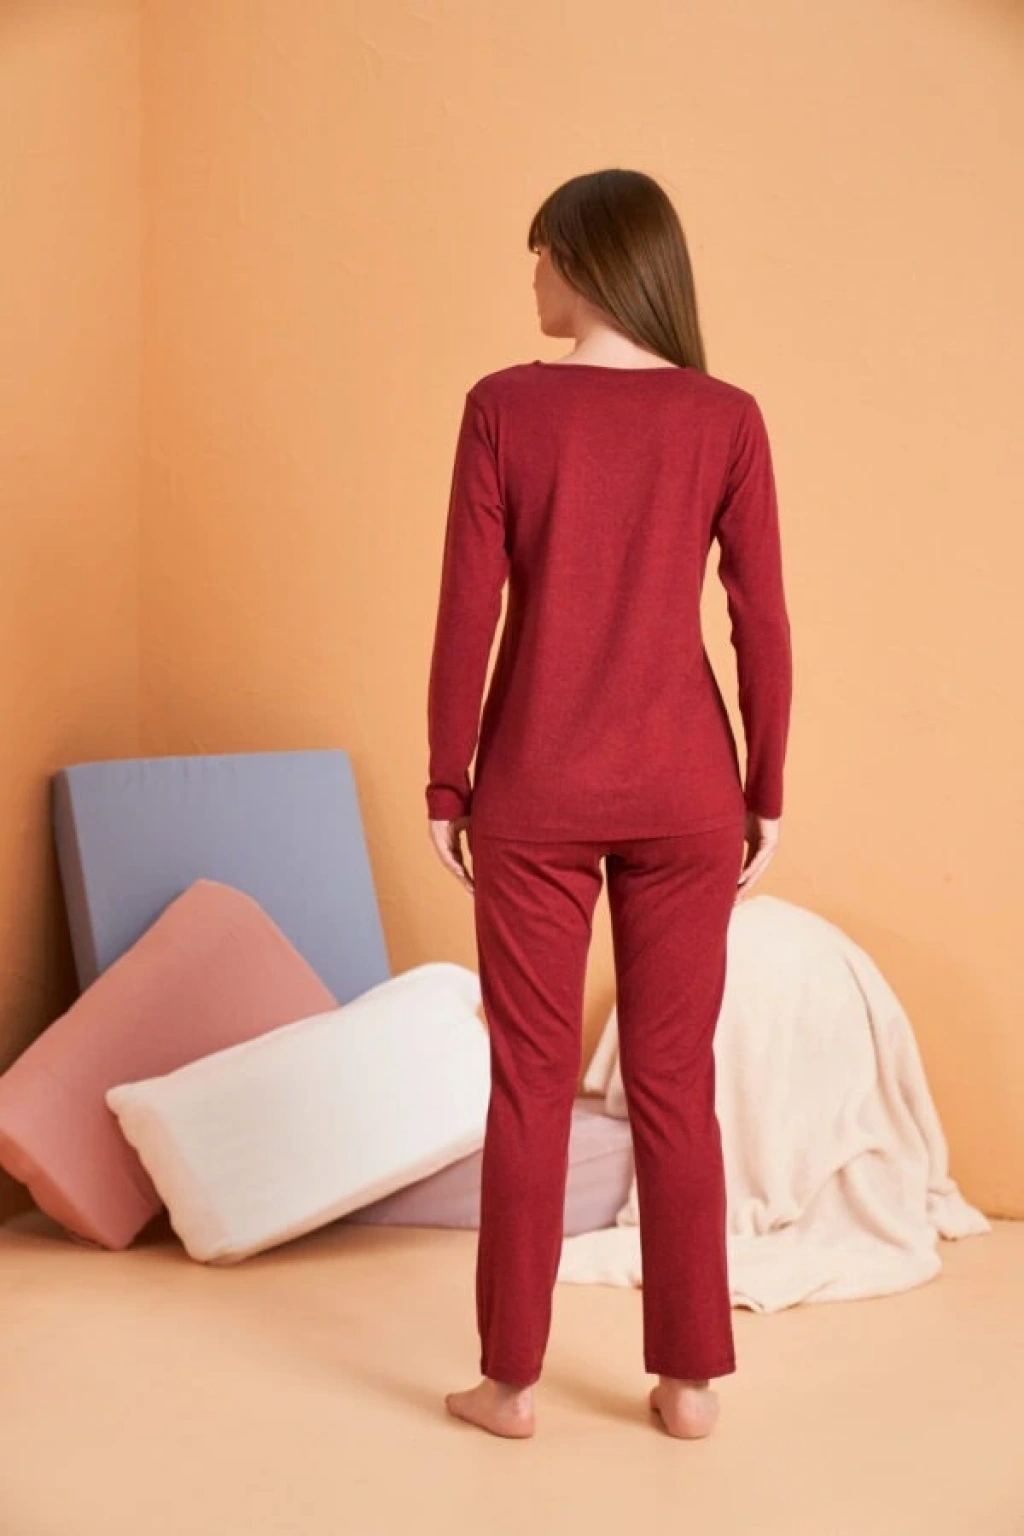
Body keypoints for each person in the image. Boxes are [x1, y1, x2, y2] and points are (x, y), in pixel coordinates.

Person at [424, 168, 793, 1440]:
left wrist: (447, 779)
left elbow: (467, 610)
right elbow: (760, 620)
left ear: (581, 260)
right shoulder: (724, 418)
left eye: (539, 254)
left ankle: (509, 1385)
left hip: (534, 788)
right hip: (689, 790)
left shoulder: (503, 409)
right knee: (675, 1081)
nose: (531, 277)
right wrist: (764, 787)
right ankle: (688, 1384)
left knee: (529, 1084)